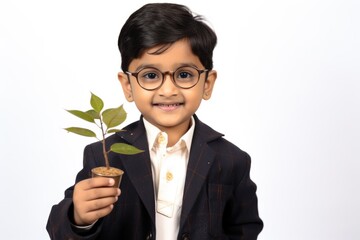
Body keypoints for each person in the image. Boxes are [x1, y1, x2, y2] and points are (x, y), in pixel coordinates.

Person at [47, 3, 263, 239]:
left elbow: (245, 229)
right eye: (150, 76)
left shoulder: (232, 160)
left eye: (184, 74)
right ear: (127, 86)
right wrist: (79, 218)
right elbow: (59, 229)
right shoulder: (104, 155)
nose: (168, 90)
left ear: (207, 83)